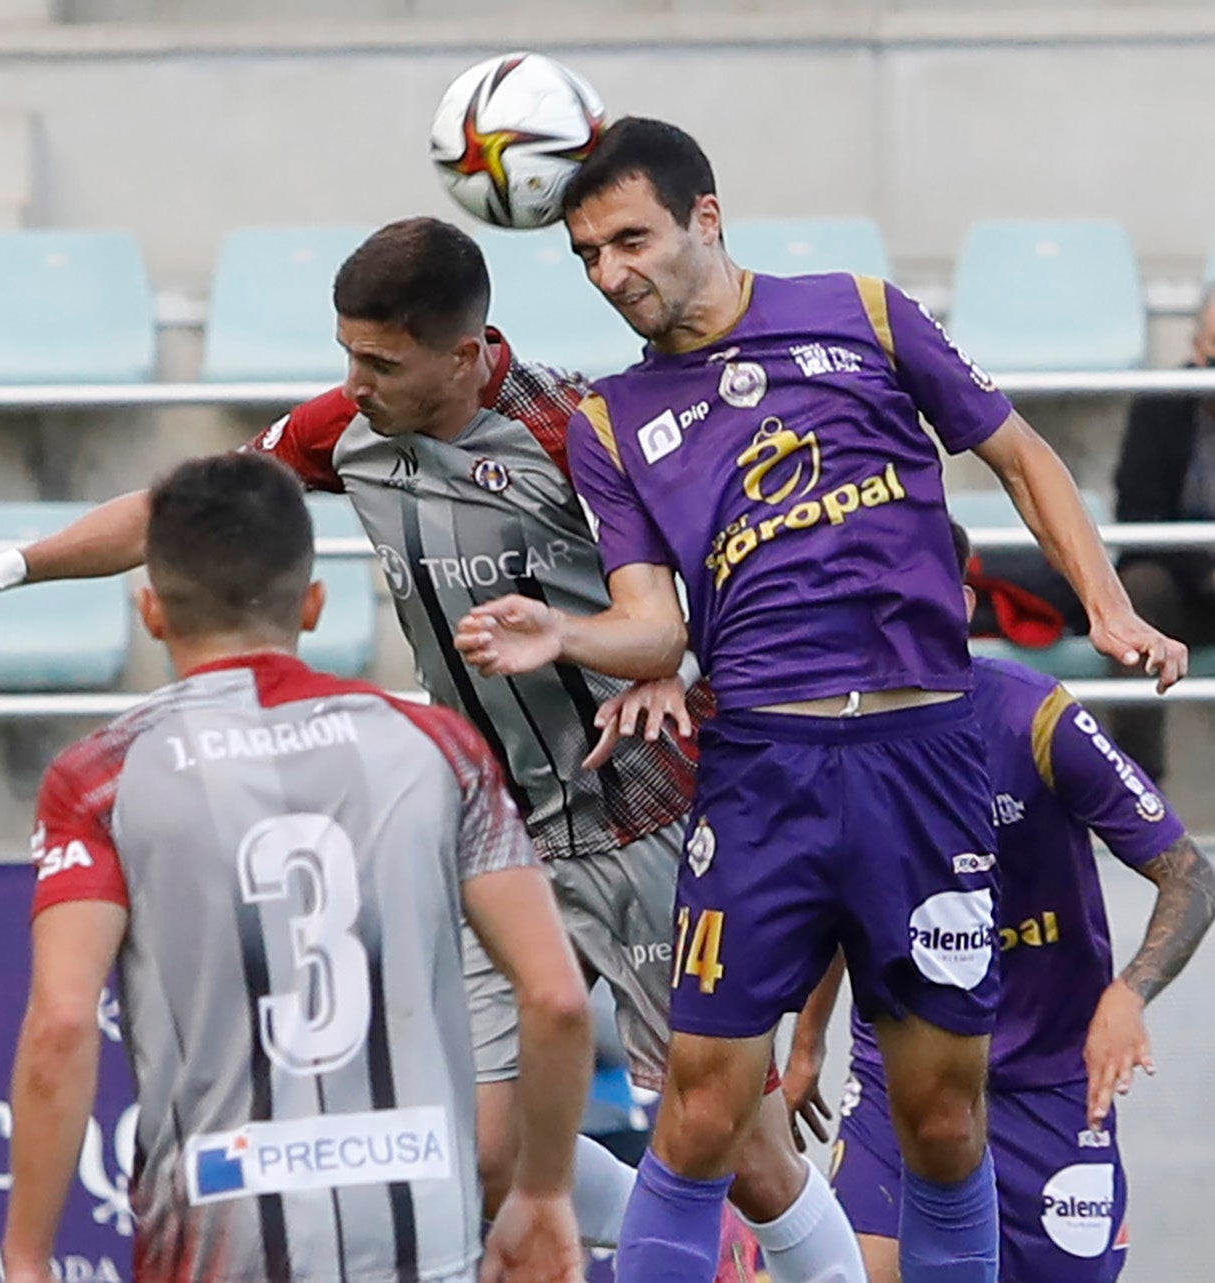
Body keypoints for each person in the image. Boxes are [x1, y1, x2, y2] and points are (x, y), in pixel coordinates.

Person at [0, 218, 867, 1283]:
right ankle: (683, 1236)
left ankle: (748, 1242)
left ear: (465, 350)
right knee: (480, 1152)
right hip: (506, 833)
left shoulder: (581, 429)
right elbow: (181, 510)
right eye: (348, 354)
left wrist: (676, 666)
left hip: (651, 818)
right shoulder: (343, 429)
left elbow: (731, 567)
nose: (352, 383)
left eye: (380, 361)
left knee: (749, 1152)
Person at [452, 117, 1187, 1283]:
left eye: (629, 239)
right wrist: (568, 632)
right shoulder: (610, 419)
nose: (611, 274)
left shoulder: (867, 311)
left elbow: (1023, 455)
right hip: (763, 771)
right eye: (587, 255)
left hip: (924, 758)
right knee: (699, 1110)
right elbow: (658, 622)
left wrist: (1106, 604)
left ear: (707, 216)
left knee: (947, 1126)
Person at [0, 452, 593, 1283]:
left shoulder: (101, 776)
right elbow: (558, 997)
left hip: (216, 1239)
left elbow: (61, 1026)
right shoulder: (438, 747)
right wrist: (542, 1188)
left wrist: (25, 1258)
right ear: (313, 605)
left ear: (151, 612)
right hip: (420, 1228)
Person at [785, 520, 1215, 1283]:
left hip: (1050, 1082)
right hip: (902, 1071)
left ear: (960, 601)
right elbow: (835, 899)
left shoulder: (1036, 718)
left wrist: (1127, 994)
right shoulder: (842, 732)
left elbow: (1192, 876)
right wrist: (808, 1043)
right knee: (858, 1274)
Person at [1108, 283, 1215, 782]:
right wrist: (1203, 570)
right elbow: (1139, 515)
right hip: (1179, 581)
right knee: (1138, 592)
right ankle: (1137, 788)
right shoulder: (1163, 404)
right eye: (1211, 346)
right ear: (1196, 347)